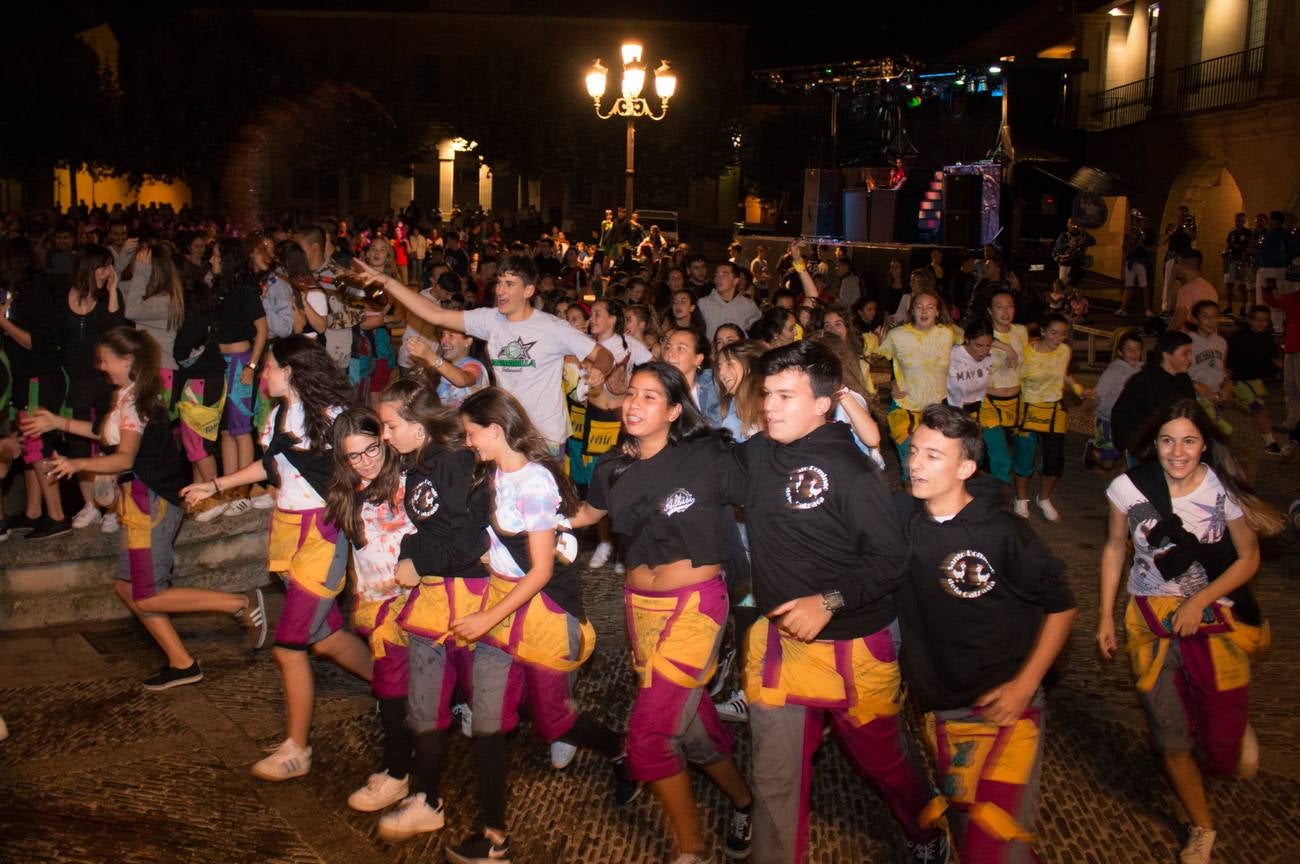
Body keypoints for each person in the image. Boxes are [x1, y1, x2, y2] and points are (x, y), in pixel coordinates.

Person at [719, 340, 948, 864]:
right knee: (774, 775)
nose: (770, 406)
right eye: (767, 393)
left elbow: (890, 557)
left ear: (823, 403)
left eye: (785, 395)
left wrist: (829, 599)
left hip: (855, 645)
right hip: (782, 643)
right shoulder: (758, 452)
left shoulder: (849, 468)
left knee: (882, 760)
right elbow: (715, 472)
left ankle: (924, 827)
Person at [571, 362, 755, 864]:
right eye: (632, 394)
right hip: (640, 610)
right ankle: (744, 801)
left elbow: (765, 485)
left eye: (651, 397)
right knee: (692, 730)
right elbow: (588, 514)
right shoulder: (614, 467)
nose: (634, 403)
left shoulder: (708, 456)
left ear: (676, 410)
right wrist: (530, 512)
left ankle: (689, 850)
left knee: (650, 735)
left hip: (697, 606)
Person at [448, 387, 634, 864]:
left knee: (555, 721)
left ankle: (620, 748)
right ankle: (493, 837)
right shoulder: (491, 472)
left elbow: (542, 570)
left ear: (495, 429)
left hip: (542, 611)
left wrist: (486, 616)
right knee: (488, 719)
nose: (468, 442)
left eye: (472, 434)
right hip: (501, 604)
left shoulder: (534, 482)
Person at [23, 327, 267, 689]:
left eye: (105, 358)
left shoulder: (135, 402)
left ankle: (239, 602)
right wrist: (57, 421)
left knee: (148, 595)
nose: (100, 365)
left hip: (149, 504)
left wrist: (77, 466)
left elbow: (124, 457)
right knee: (127, 589)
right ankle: (182, 662)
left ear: (128, 361)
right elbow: (106, 433)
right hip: (137, 504)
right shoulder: (125, 396)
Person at [1098, 399, 1279, 864]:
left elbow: (1248, 557)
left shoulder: (1223, 490)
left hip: (1216, 618)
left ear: (1204, 445)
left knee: (1223, 751)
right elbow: (1115, 548)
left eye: (1189, 440)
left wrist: (1198, 600)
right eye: (1166, 440)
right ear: (1153, 444)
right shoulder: (1127, 488)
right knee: (1169, 735)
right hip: (1149, 620)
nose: (1177, 451)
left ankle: (1232, 731)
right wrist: (1103, 615)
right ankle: (1202, 827)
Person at [182, 336, 370, 782]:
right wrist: (216, 485)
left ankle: (296, 748)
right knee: (326, 640)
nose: (260, 373)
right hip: (288, 532)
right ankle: (395, 688)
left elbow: (364, 471)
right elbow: (273, 466)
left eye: (267, 366)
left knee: (289, 647)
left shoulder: (333, 418)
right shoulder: (282, 414)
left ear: (290, 371)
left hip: (321, 535)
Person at [896, 404, 1075, 864]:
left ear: (966, 467)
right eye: (914, 451)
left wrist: (1025, 686)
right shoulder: (902, 524)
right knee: (969, 829)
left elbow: (1062, 607)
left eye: (934, 456)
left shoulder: (1004, 533)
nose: (915, 464)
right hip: (941, 710)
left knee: (991, 842)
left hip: (1005, 710)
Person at [376, 377, 492, 842]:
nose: (385, 436)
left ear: (419, 426)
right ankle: (426, 798)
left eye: (389, 426)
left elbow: (468, 540)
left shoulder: (454, 464)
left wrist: (416, 559)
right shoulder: (420, 464)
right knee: (424, 702)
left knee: (505, 709)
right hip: (434, 597)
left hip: (472, 599)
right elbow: (431, 527)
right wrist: (412, 550)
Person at [354, 253, 614, 453]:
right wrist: (387, 282)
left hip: (543, 438)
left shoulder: (552, 327)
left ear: (528, 291)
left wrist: (599, 371)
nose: (501, 290)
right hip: (504, 433)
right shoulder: (491, 320)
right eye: (499, 282)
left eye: (510, 284)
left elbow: (604, 356)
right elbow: (434, 313)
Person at [325, 407, 417, 816]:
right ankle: (403, 761)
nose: (366, 461)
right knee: (392, 688)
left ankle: (398, 773)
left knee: (393, 690)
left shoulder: (410, 480)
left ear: (383, 438)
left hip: (410, 601)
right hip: (371, 602)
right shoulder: (346, 490)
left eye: (371, 449)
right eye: (354, 456)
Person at [0, 237, 69, 537]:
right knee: (30, 447)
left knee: (39, 445)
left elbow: (36, 342)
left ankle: (56, 515)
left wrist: (2, 322)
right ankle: (34, 511)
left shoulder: (35, 293)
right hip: (26, 378)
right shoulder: (20, 292)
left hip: (39, 377)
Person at [59, 244, 125, 536]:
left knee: (109, 441)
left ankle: (112, 507)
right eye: (103, 266)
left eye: (110, 266)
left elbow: (117, 332)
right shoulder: (64, 296)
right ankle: (89, 505)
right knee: (78, 445)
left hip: (104, 381)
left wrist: (112, 290)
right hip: (75, 382)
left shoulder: (108, 297)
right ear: (89, 267)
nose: (107, 272)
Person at [1011, 313, 1094, 522]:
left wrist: (1078, 389)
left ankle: (1044, 498)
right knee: (1024, 457)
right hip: (1028, 408)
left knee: (1054, 459)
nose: (1058, 338)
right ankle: (1021, 498)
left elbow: (1064, 374)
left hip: (1055, 408)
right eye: (1053, 333)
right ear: (1043, 332)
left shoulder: (1064, 351)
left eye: (1062, 334)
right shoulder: (1026, 353)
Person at [876, 290, 962, 485]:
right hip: (904, 410)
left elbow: (978, 341)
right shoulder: (897, 335)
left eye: (930, 307)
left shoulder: (948, 334)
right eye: (919, 306)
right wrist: (890, 384)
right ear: (912, 311)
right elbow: (875, 364)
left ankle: (929, 510)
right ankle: (912, 512)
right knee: (911, 468)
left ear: (938, 312)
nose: (924, 311)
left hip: (936, 412)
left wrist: (1006, 348)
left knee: (933, 467)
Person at [211, 238, 269, 517]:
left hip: (239, 363)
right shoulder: (219, 288)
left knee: (241, 429)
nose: (211, 260)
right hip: (219, 364)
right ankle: (229, 489)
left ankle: (243, 492)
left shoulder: (245, 290)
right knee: (225, 429)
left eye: (216, 255)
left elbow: (262, 329)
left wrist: (252, 366)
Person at [1111, 330, 1198, 460]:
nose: (1191, 359)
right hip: (1149, 453)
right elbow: (1120, 416)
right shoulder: (1144, 382)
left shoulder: (1183, 380)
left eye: (1190, 353)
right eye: (1185, 353)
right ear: (1167, 355)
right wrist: (1138, 447)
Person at [1228, 306, 1285, 456]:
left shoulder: (1266, 338)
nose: (1261, 323)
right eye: (1258, 320)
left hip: (1255, 381)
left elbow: (1269, 359)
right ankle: (1270, 442)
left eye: (1265, 320)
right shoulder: (1238, 338)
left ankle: (1269, 441)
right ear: (1250, 320)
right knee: (1258, 408)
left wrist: (1279, 365)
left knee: (1255, 409)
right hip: (1239, 380)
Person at [1086, 328, 1144, 470]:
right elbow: (1098, 393)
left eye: (1137, 349)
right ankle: (1092, 450)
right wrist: (1089, 404)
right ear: (1120, 352)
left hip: (1129, 421)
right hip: (1108, 419)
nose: (1134, 353)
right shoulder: (1113, 371)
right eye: (1129, 349)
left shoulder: (1142, 369)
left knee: (1131, 455)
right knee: (1107, 464)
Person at [1261, 277, 1300, 452]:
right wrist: (1268, 289)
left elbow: (1291, 309)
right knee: (1290, 387)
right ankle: (1293, 421)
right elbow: (1273, 301)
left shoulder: (1295, 300)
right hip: (1291, 348)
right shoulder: (1295, 297)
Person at [1187, 301, 1232, 434]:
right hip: (1195, 398)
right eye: (1205, 317)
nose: (1210, 321)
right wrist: (1196, 385)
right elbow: (1177, 372)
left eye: (1214, 316)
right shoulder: (1188, 341)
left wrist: (1227, 384)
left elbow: (1222, 368)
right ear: (1195, 319)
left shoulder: (1221, 342)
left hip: (1214, 397)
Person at [662, 327, 722, 426]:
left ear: (698, 359)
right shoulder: (656, 390)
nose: (670, 354)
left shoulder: (713, 387)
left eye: (680, 348)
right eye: (668, 347)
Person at [944, 317, 997, 419]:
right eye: (978, 345)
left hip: (978, 408)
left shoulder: (990, 356)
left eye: (988, 346)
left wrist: (1007, 348)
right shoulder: (952, 354)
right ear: (967, 339)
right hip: (952, 410)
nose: (984, 351)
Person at [1169, 252, 1218, 333]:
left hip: (1192, 342)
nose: (1175, 267)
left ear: (1185, 265)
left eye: (1177, 263)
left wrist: (1164, 340)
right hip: (1211, 341)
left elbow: (1177, 324)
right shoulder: (1211, 288)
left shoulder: (1185, 290)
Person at [1222, 213, 1254, 317]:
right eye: (1236, 221)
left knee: (1242, 285)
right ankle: (1229, 306)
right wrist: (1225, 261)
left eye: (1240, 221)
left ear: (1244, 222)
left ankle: (1244, 306)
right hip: (1232, 260)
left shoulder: (1248, 233)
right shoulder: (1231, 234)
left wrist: (1240, 247)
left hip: (1243, 261)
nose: (1237, 223)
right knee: (1229, 285)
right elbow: (1228, 247)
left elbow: (1250, 246)